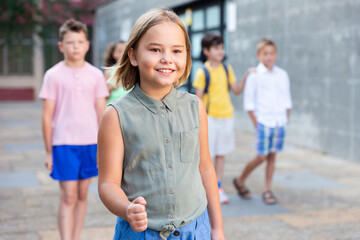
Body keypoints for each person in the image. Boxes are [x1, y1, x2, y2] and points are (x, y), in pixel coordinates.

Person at [97, 9, 225, 240]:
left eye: (176, 51)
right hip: (141, 233)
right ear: (134, 56)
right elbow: (107, 183)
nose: (167, 58)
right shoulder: (115, 115)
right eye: (155, 49)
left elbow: (205, 168)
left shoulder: (195, 107)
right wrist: (127, 209)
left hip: (196, 230)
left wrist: (217, 229)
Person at [39, 19, 109, 240]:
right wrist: (49, 151)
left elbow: (102, 114)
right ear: (61, 46)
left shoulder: (96, 75)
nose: (76, 47)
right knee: (68, 195)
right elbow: (47, 115)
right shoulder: (53, 75)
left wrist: (103, 148)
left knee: (81, 194)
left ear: (87, 45)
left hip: (90, 143)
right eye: (70, 42)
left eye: (80, 42)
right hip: (64, 143)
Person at [192, 33, 252, 204]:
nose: (220, 51)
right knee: (206, 155)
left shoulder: (227, 69)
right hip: (210, 119)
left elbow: (237, 90)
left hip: (226, 116)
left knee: (220, 154)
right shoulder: (202, 72)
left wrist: (247, 75)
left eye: (221, 48)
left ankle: (218, 187)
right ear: (206, 51)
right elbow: (199, 100)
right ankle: (204, 189)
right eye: (216, 48)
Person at [233, 38, 292, 205]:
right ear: (259, 55)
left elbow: (286, 99)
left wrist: (285, 118)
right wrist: (256, 122)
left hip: (279, 121)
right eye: (265, 54)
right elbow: (249, 103)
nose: (269, 57)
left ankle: (267, 189)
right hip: (263, 122)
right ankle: (240, 179)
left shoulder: (282, 75)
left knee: (272, 156)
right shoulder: (255, 75)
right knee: (260, 157)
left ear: (276, 54)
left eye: (272, 53)